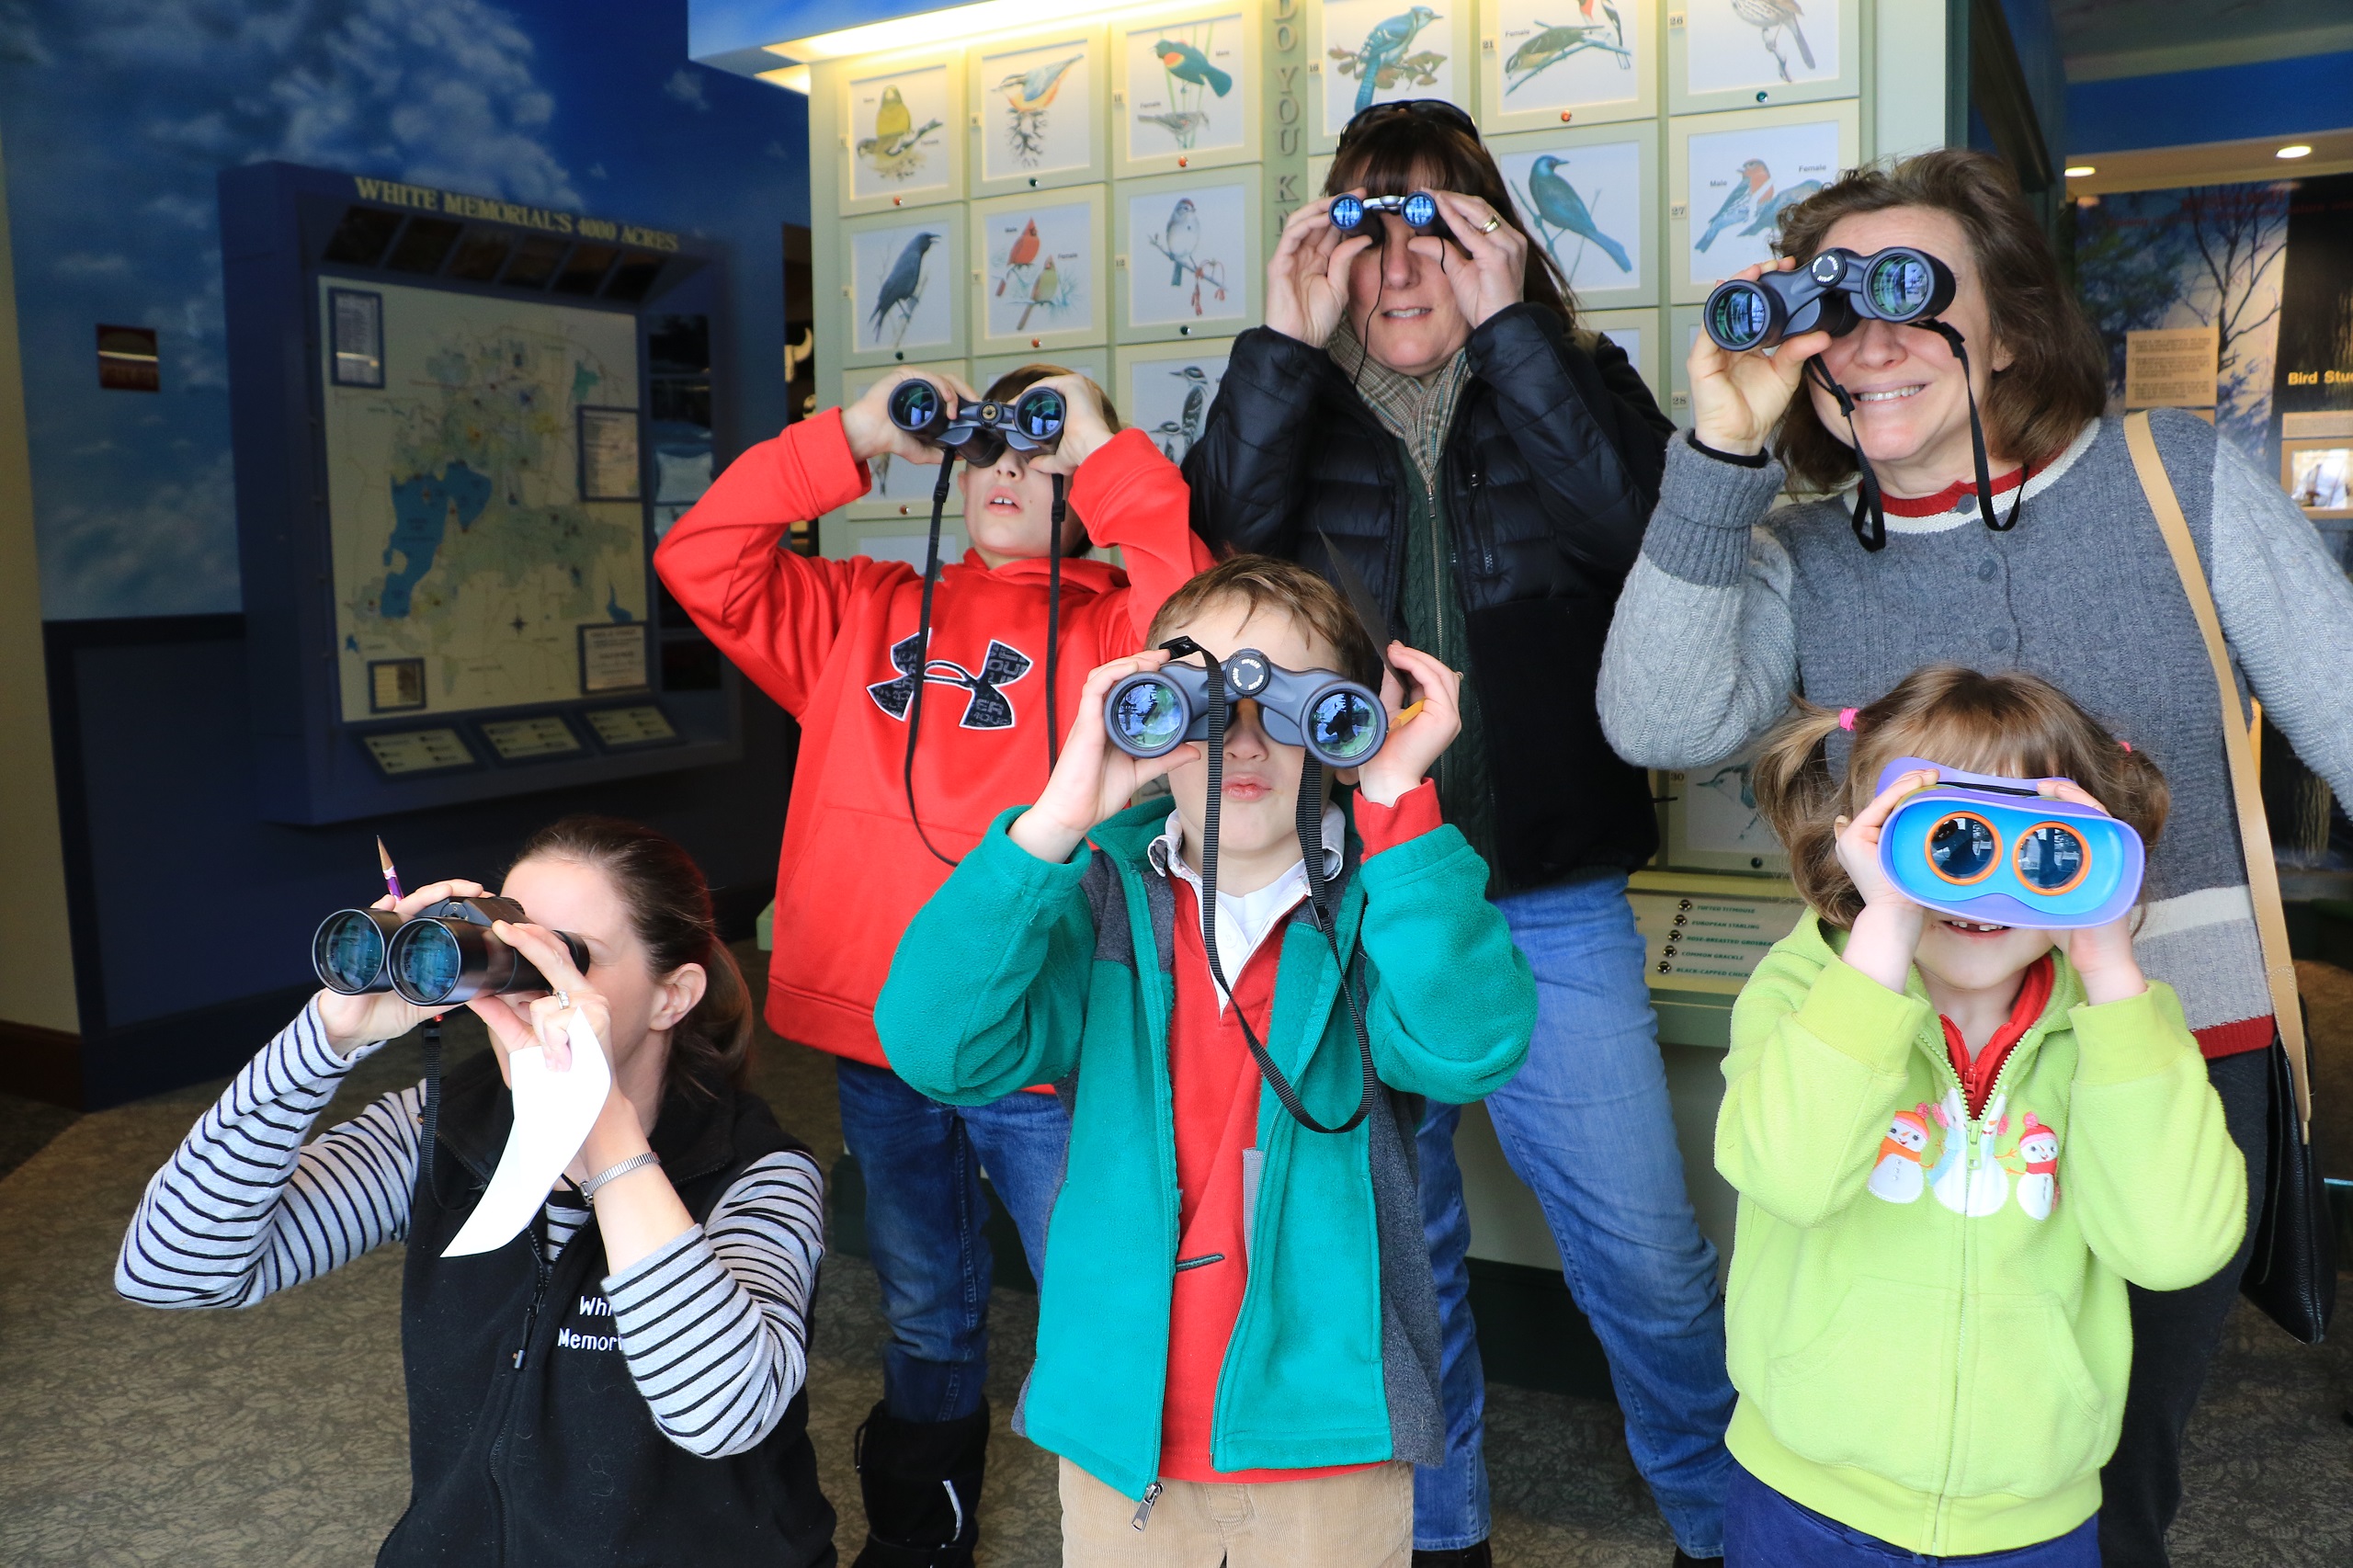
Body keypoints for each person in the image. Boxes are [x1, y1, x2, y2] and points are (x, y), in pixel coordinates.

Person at [1597, 145, 2353, 1566]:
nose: (1870, 341)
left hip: (2160, 1047)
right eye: (1832, 306)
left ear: (2007, 321)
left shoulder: (2170, 477)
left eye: (1914, 295)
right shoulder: (1803, 550)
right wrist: (1718, 454)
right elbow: (1655, 714)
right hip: (1903, 1051)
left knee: (2105, 1473)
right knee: (1893, 1417)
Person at [1183, 99, 1728, 1566]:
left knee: (1647, 1257)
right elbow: (1216, 547)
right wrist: (1285, 351)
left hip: (1547, 889)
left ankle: (1727, 1524)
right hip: (1345, 896)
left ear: (1491, 240)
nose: (1401, 262)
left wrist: (1516, 339)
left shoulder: (1572, 376)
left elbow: (1648, 540)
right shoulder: (1289, 398)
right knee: (1396, 1261)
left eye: (1437, 223)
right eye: (1368, 228)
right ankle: (1444, 1536)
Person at [654, 365, 1211, 1566]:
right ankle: (924, 1532)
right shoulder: (858, 606)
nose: (1012, 464)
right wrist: (852, 435)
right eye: (992, 444)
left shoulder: (1121, 627)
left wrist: (1107, 457)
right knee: (923, 1300)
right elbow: (703, 556)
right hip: (880, 1037)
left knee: (1101, 1291)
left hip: (1043, 1046)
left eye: (1043, 443)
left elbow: (1202, 629)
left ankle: (1140, 1532)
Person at [875, 555, 1537, 1568]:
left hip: (1328, 1432)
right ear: (1143, 711)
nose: (1244, 737)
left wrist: (1398, 803)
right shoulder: (1093, 900)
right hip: (1116, 1422)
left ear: (1346, 722)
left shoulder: (1387, 905)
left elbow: (1468, 1046)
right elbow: (937, 1047)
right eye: (1203, 699)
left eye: (1293, 702)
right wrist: (1056, 817)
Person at [116, 817, 835, 1567]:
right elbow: (172, 1270)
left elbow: (719, 1415)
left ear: (671, 997)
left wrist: (601, 1128)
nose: (523, 978)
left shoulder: (758, 1172)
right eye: (509, 939)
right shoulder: (442, 1133)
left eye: (566, 956)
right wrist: (328, 1035)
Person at [1720, 665, 2246, 1565]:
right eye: (1943, 838)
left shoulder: (2118, 1029)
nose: (1980, 884)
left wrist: (2113, 975)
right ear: (1861, 843)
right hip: (1804, 1493)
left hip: (2030, 1518)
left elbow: (2172, 1248)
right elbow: (1790, 1176)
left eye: (2040, 849)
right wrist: (1880, 935)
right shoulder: (1805, 993)